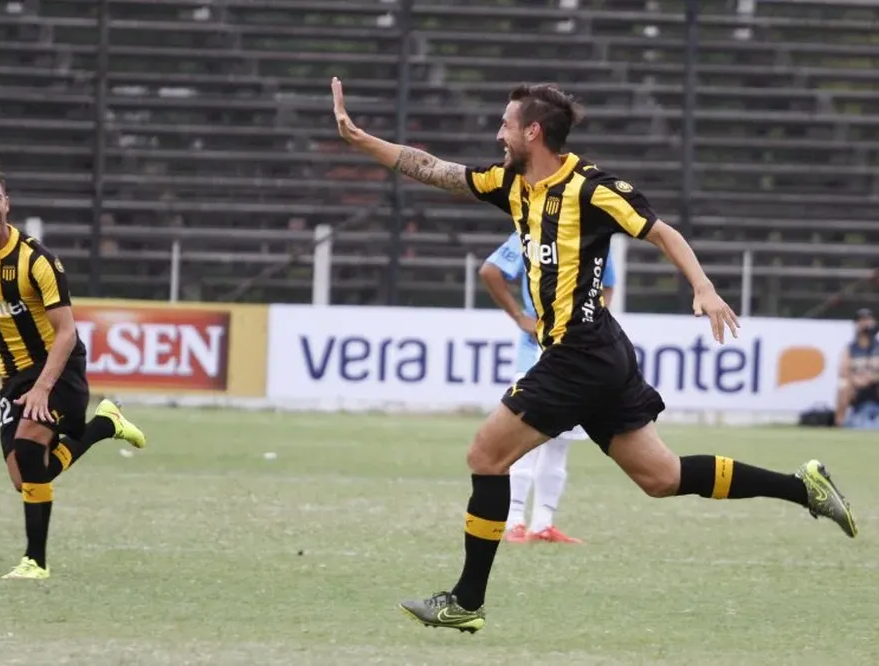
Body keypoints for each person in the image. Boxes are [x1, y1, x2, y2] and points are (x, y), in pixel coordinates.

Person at [329, 78, 858, 633]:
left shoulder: (591, 187)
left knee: (486, 457)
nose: (497, 132)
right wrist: (362, 139)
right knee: (661, 477)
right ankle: (804, 487)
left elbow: (663, 232)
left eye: (506, 124)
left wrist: (702, 287)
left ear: (532, 132)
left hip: (580, 356)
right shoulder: (510, 183)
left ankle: (466, 600)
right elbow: (432, 167)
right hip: (598, 353)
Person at [0, 165, 147, 580]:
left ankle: (35, 562)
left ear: (7, 204)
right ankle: (105, 424)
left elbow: (67, 331)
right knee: (26, 476)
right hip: (11, 376)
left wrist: (42, 389)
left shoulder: (38, 260)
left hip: (59, 367)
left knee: (32, 451)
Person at [480, 234, 616, 544]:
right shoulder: (534, 226)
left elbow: (607, 285)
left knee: (559, 441)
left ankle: (542, 523)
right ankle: (514, 520)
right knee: (524, 438)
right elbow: (490, 271)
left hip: (577, 355)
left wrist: (593, 321)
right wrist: (519, 317)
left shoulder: (596, 233)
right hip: (537, 354)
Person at [836, 308, 879, 428]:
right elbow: (843, 371)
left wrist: (871, 378)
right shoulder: (850, 349)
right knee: (843, 384)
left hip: (875, 386)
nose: (864, 324)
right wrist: (854, 380)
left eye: (867, 320)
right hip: (857, 388)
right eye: (861, 321)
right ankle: (839, 423)